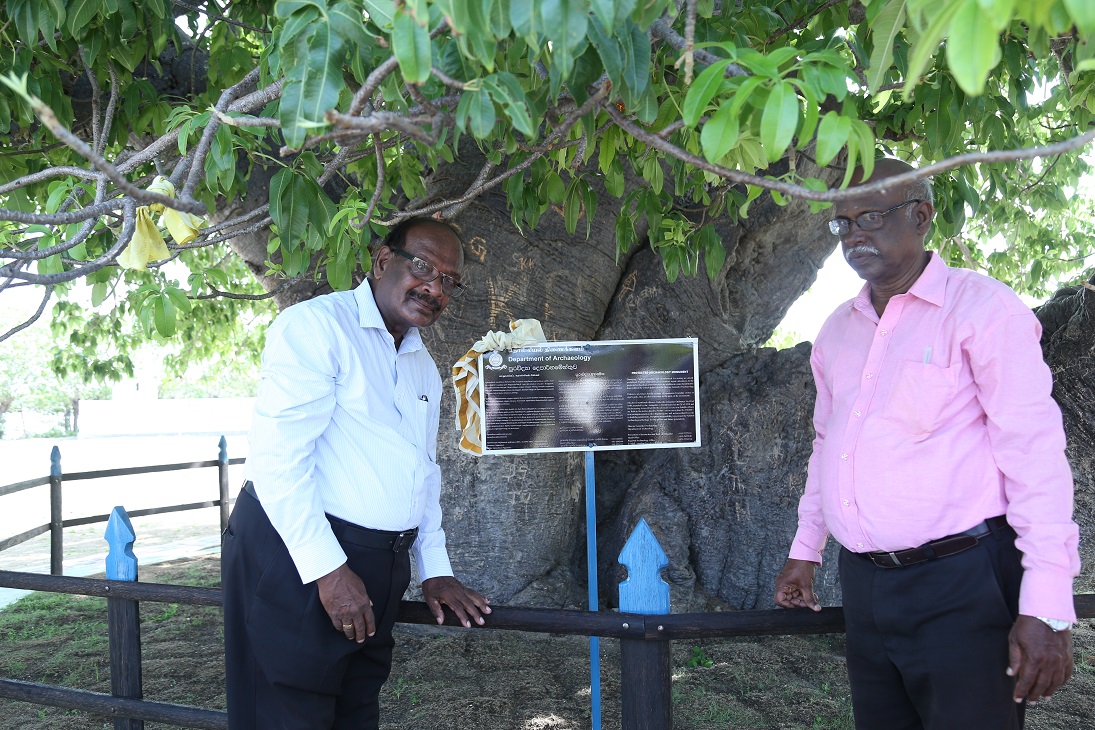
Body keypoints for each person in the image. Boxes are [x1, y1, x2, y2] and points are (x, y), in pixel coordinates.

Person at [773, 158, 1079, 729]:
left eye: (869, 217)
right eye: (842, 223)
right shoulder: (837, 330)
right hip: (864, 586)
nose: (853, 235)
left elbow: (1034, 455)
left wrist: (1047, 605)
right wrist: (806, 548)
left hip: (962, 584)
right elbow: (828, 446)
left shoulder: (983, 309)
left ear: (920, 216)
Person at [222, 217, 491, 729]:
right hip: (300, 559)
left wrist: (434, 567)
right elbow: (279, 461)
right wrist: (328, 570)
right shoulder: (316, 327)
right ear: (383, 260)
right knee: (286, 717)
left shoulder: (420, 364)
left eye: (448, 280)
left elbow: (422, 472)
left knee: (355, 715)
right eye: (423, 267)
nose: (435, 288)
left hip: (377, 565)